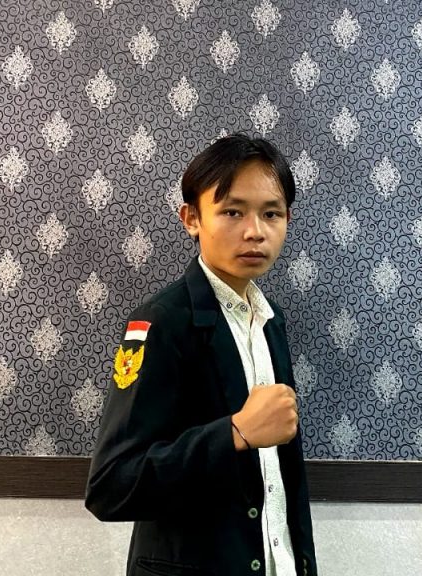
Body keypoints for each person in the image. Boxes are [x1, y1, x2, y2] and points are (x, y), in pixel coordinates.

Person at [85, 134, 317, 576]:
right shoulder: (161, 322)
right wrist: (234, 432)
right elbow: (111, 486)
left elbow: (281, 485)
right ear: (192, 218)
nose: (255, 231)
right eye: (232, 212)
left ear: (287, 219)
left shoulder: (270, 320)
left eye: (271, 213)